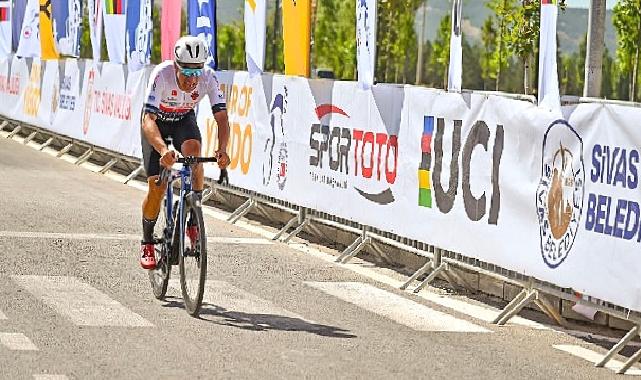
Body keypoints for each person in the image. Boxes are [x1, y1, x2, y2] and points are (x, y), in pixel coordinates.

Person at [139, 36, 230, 269]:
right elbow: (148, 119)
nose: (192, 80)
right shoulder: (162, 74)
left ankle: (192, 219)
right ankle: (147, 241)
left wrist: (222, 150)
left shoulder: (208, 77)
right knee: (156, 188)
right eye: (187, 74)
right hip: (157, 123)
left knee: (195, 154)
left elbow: (222, 118)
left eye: (196, 73)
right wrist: (162, 150)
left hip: (182, 120)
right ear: (176, 67)